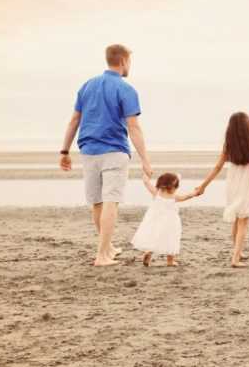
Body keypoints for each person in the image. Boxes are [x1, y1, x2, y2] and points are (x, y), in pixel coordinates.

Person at [59, 44, 153, 267]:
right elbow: (133, 127)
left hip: (88, 152)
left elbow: (74, 120)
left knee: (97, 203)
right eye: (129, 61)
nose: (130, 65)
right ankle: (102, 255)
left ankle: (107, 247)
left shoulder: (87, 86)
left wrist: (64, 151)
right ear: (122, 61)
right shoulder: (126, 89)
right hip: (114, 151)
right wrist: (145, 159)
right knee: (111, 201)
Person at [197, 112, 249, 268]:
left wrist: (203, 186)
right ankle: (235, 259)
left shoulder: (229, 145)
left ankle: (238, 252)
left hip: (233, 183)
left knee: (236, 218)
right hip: (247, 183)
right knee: (243, 221)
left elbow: (217, 167)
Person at [131, 172, 200, 267]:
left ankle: (148, 253)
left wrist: (146, 173)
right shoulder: (175, 197)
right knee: (171, 239)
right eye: (175, 186)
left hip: (155, 220)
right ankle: (170, 261)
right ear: (173, 187)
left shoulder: (156, 192)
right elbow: (187, 196)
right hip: (170, 222)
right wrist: (195, 192)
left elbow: (146, 182)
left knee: (154, 237)